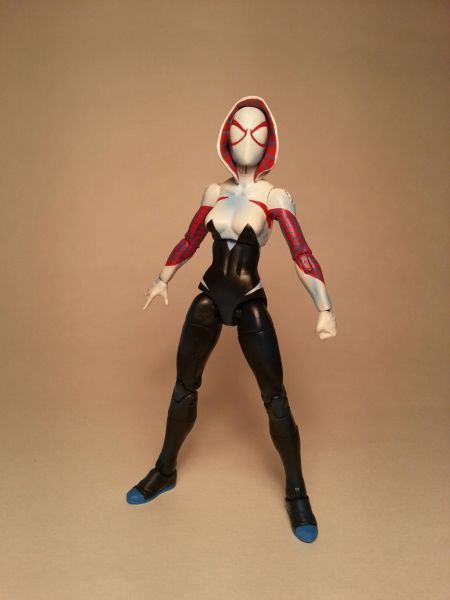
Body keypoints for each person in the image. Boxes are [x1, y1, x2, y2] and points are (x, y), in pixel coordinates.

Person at [126, 96, 337, 543]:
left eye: (257, 131)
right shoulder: (214, 192)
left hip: (248, 301)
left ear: (269, 140)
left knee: (275, 398)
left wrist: (324, 307)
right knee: (184, 387)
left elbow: (301, 252)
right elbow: (190, 240)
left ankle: (296, 490)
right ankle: (165, 469)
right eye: (239, 130)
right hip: (208, 296)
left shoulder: (274, 196)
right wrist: (162, 279)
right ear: (226, 136)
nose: (247, 139)